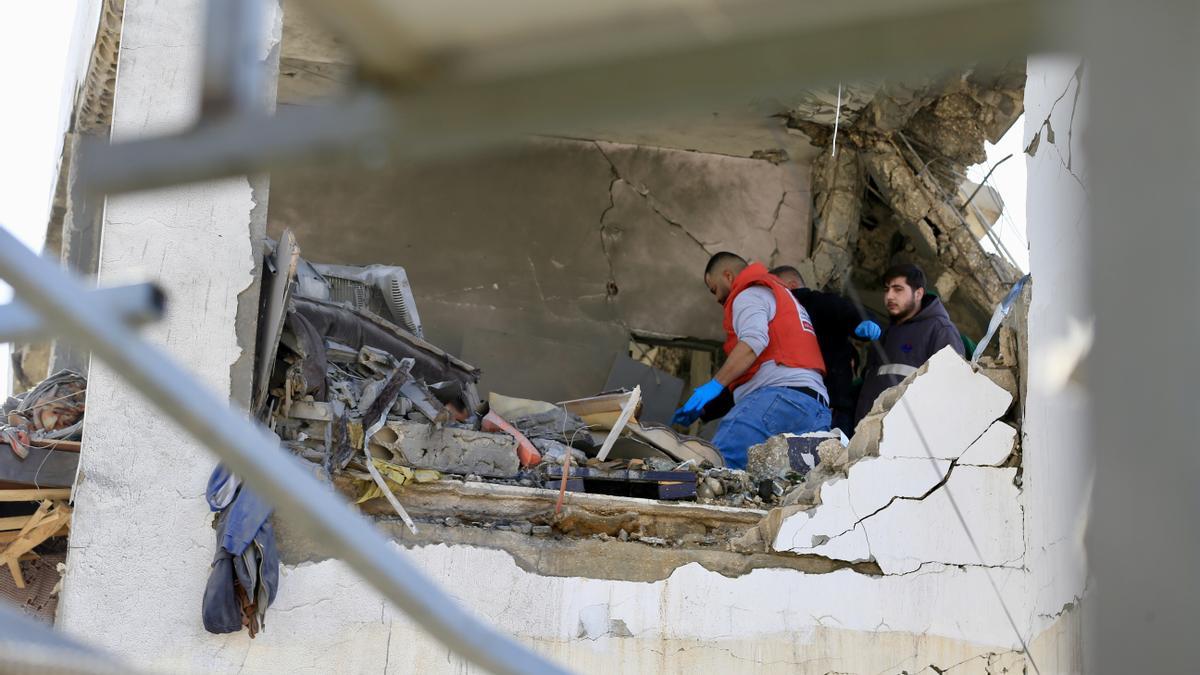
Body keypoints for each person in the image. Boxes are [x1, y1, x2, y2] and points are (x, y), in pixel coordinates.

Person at [671, 252, 831, 469]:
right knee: (782, 490)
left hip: (780, 401)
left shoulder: (748, 295)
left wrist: (714, 385)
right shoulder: (782, 297)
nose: (717, 298)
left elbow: (754, 341)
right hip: (815, 411)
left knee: (715, 469)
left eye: (714, 289)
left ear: (728, 276)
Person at [769, 265, 881, 435]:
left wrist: (862, 323)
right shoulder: (774, 318)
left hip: (832, 405)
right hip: (795, 401)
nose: (769, 297)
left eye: (773, 290)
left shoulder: (815, 302)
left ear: (791, 286)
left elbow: (847, 311)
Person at [854, 263, 965, 424]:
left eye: (898, 289)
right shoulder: (887, 333)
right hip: (866, 435)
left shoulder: (940, 329)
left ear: (918, 293)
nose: (889, 296)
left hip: (907, 436)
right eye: (887, 289)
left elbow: (952, 388)